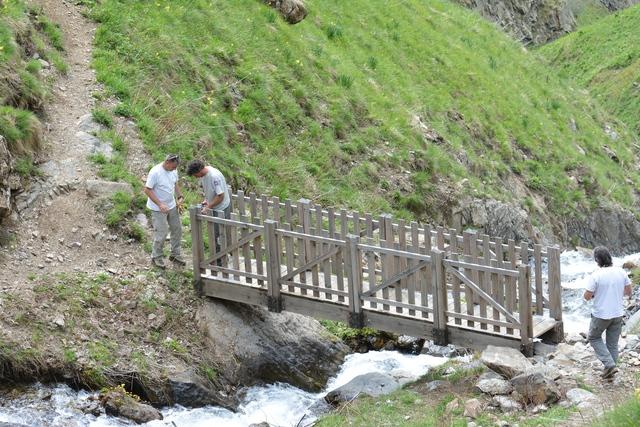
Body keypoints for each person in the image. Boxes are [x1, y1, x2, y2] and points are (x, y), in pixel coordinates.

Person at [583, 246, 632, 379]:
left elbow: (587, 296)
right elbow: (628, 292)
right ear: (609, 257)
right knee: (612, 344)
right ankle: (610, 371)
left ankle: (609, 364)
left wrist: (596, 294)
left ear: (597, 260)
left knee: (593, 338)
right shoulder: (621, 272)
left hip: (601, 314)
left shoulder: (596, 275)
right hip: (618, 313)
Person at [144, 154, 186, 269]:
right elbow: (147, 190)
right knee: (161, 232)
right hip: (158, 208)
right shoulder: (155, 172)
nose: (174, 169)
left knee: (177, 229)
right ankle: (156, 256)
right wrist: (160, 204)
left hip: (171, 205)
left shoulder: (173, 171)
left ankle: (175, 254)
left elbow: (175, 184)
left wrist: (179, 196)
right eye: (173, 167)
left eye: (175, 167)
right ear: (167, 162)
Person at [186, 160, 231, 260]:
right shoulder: (204, 175)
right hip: (215, 206)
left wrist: (208, 207)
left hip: (221, 208)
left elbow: (220, 196)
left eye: (195, 174)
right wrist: (207, 200)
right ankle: (222, 256)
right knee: (216, 234)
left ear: (199, 170)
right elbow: (212, 191)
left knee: (218, 235)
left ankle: (220, 260)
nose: (195, 177)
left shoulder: (214, 176)